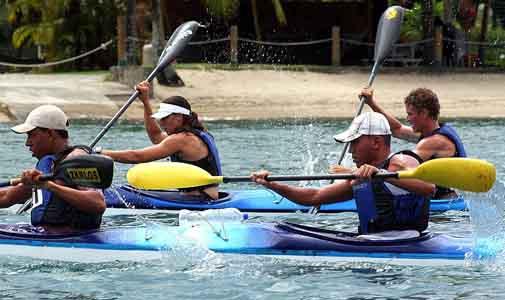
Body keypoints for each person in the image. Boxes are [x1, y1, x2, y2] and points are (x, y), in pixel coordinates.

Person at [251, 112, 435, 238]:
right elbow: (313, 197)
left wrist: (382, 174)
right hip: (373, 241)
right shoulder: (360, 178)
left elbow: (429, 187)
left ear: (376, 142)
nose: (350, 151)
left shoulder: (399, 161)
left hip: (407, 241)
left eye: (355, 143)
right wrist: (272, 184)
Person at [99, 81, 222, 200]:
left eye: (164, 118)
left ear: (178, 118)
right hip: (202, 196)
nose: (160, 122)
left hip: (201, 200)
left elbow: (137, 157)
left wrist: (99, 153)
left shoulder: (182, 140)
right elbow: (156, 136)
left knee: (124, 193)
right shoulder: (193, 135)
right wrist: (146, 103)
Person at [0, 105, 106, 232]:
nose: (27, 143)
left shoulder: (75, 159)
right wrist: (43, 184)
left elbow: (98, 203)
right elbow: (5, 197)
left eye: (32, 135)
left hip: (70, 240)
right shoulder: (50, 165)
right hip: (44, 235)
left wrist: (49, 186)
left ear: (50, 133)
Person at [360, 87, 466, 199]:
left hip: (443, 207)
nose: (407, 119)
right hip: (448, 198)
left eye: (410, 114)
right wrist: (371, 103)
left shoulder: (434, 142)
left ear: (424, 113)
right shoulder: (435, 132)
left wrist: (365, 170)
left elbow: (398, 166)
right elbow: (397, 129)